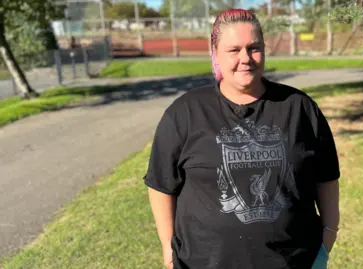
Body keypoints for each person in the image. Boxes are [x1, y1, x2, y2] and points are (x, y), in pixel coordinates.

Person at [144, 8, 340, 269]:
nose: (245, 58)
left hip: (295, 260)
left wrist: (329, 233)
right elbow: (160, 183)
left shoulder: (299, 108)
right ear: (215, 53)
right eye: (234, 50)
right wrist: (168, 249)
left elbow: (326, 175)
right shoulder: (186, 113)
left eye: (254, 47)